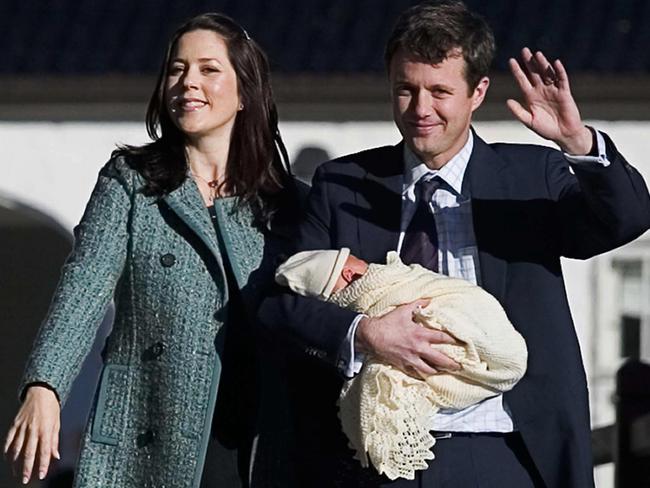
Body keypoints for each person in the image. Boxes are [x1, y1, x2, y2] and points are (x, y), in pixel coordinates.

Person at [259, 1, 650, 487]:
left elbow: (626, 221)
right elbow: (280, 305)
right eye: (406, 89)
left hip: (504, 452)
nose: (421, 110)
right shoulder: (342, 185)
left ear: (477, 92)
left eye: (440, 91)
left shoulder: (530, 177)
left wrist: (578, 141)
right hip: (374, 456)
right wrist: (364, 332)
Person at [3, 12, 302, 488]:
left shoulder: (287, 203)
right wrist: (46, 386)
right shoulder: (131, 182)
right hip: (150, 431)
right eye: (177, 69)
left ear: (245, 91)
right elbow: (83, 289)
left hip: (258, 444)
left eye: (208, 69)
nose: (188, 82)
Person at [275, 248, 527, 480]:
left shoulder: (396, 275)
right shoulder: (329, 204)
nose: (367, 263)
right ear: (349, 273)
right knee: (383, 377)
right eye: (358, 261)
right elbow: (278, 308)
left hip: (501, 440)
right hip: (416, 452)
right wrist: (365, 331)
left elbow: (428, 285)